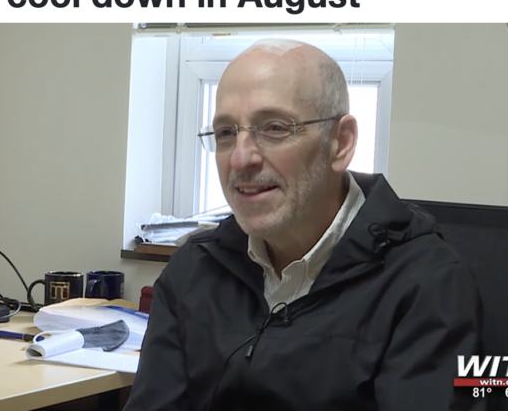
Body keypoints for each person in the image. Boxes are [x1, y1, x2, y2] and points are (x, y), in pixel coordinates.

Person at [123, 39, 485, 411]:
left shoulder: (424, 285)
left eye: (275, 128)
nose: (241, 158)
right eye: (226, 133)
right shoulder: (194, 270)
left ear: (340, 144)